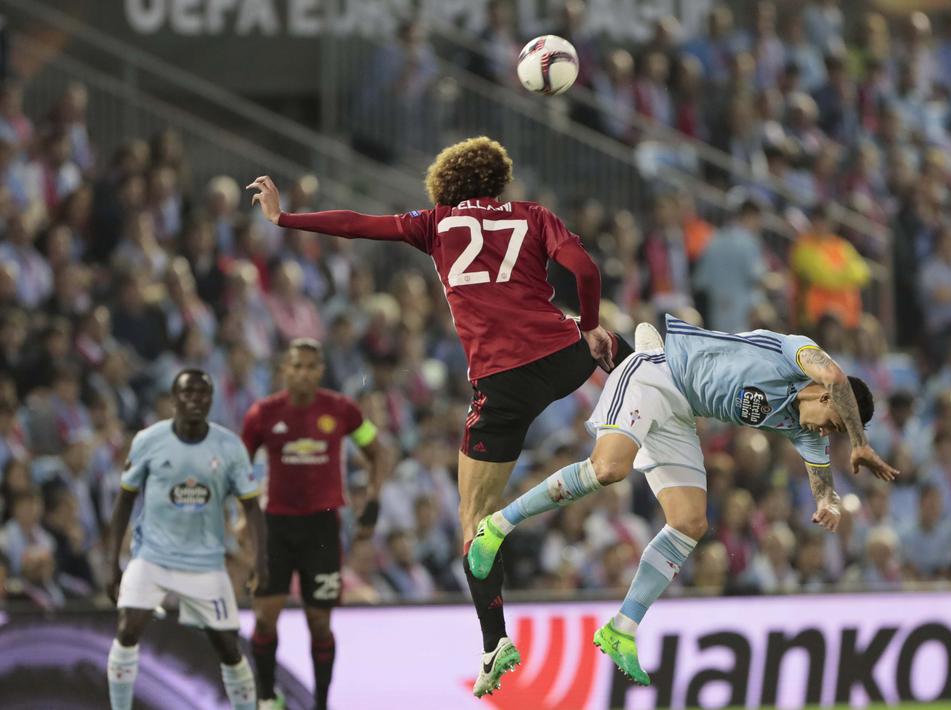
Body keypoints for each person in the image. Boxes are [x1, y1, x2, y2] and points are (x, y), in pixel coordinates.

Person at [247, 136, 633, 696]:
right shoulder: (535, 216)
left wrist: (285, 218)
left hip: (503, 386)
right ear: (500, 179)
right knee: (626, 350)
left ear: (447, 182)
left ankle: (494, 641)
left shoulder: (436, 222)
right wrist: (591, 324)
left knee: (474, 519)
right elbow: (586, 269)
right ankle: (679, 397)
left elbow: (358, 224)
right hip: (563, 358)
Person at [465, 319, 896, 684]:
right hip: (656, 373)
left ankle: (622, 628)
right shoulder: (795, 354)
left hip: (681, 412)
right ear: (823, 395)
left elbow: (823, 483)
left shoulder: (802, 427)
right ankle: (497, 526)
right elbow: (837, 377)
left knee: (691, 522)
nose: (826, 435)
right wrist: (859, 442)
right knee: (609, 469)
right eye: (834, 424)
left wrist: (831, 503)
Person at [240, 339, 391, 710]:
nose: (303, 373)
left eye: (310, 366)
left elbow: (378, 452)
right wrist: (245, 518)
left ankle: (321, 703)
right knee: (264, 618)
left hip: (322, 529)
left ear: (320, 370)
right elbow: (238, 467)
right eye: (296, 366)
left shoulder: (341, 410)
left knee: (320, 623)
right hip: (276, 526)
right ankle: (265, 697)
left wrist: (371, 502)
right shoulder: (262, 414)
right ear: (284, 370)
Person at [105, 369, 265, 710]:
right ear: (174, 399)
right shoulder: (149, 441)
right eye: (187, 393)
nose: (194, 399)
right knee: (128, 627)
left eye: (202, 394)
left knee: (228, 648)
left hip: (205, 563)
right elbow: (124, 501)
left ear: (211, 400)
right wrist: (111, 564)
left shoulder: (229, 447)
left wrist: (259, 563)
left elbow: (251, 508)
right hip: (152, 556)